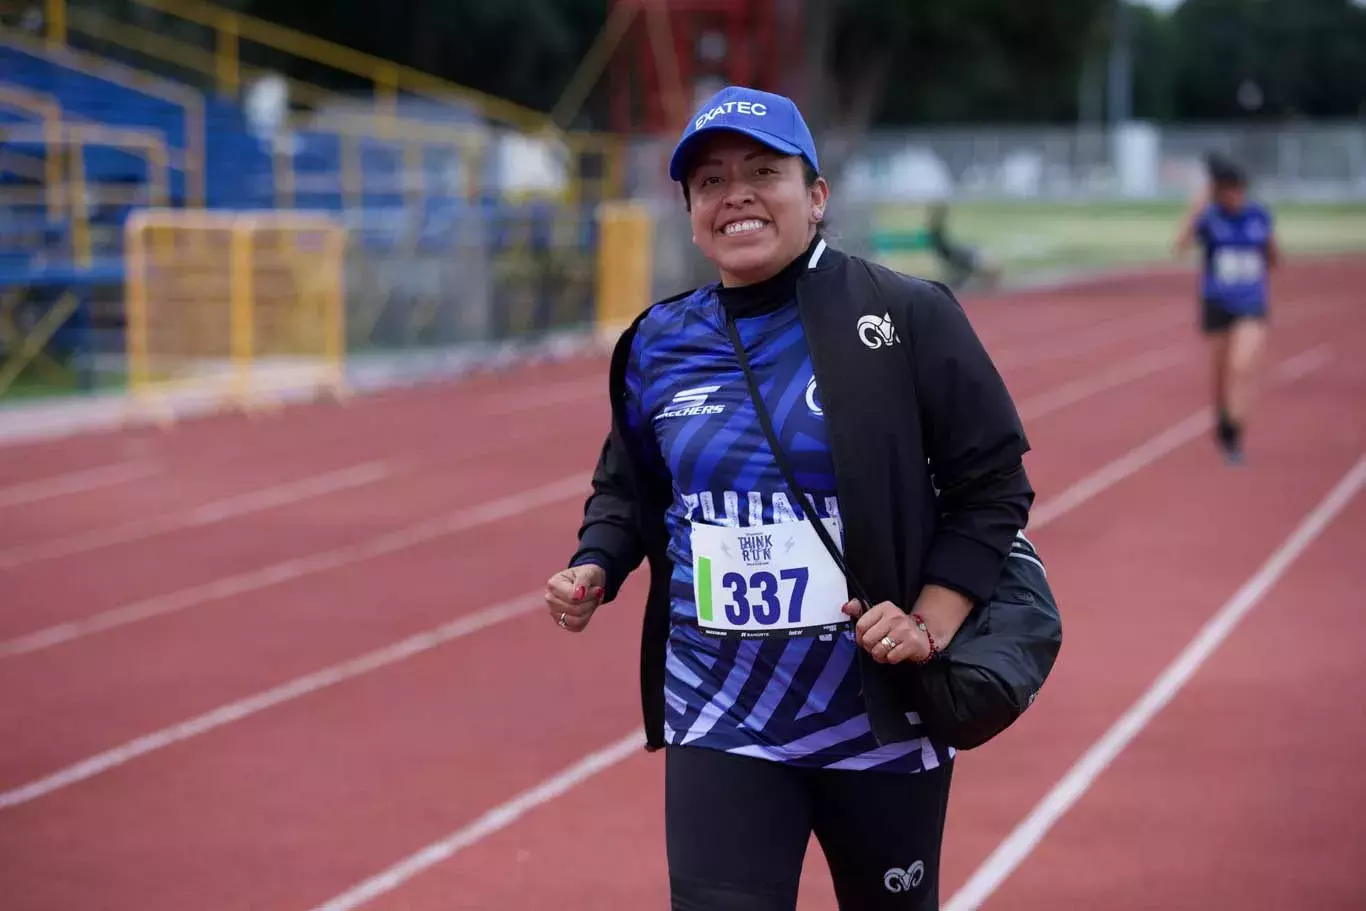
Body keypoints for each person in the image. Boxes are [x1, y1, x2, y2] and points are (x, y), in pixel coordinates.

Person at [544, 85, 1036, 910]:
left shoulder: (903, 314)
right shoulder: (658, 343)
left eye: (761, 171)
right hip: (721, 706)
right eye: (709, 181)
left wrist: (930, 622)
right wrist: (596, 561)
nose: (733, 193)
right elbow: (628, 485)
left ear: (815, 195)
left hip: (876, 713)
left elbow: (993, 484)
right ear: (692, 210)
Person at [1174, 153, 1280, 464]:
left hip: (1251, 304)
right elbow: (1180, 246)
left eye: (1238, 190)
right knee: (1221, 374)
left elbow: (1273, 255)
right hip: (1218, 304)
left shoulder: (1259, 215)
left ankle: (1235, 433)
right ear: (1218, 192)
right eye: (1227, 191)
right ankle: (1224, 420)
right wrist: (1198, 204)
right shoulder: (1210, 217)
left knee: (1242, 366)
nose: (1234, 196)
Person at [925, 200, 1001, 292]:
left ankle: (959, 284)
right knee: (972, 261)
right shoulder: (942, 243)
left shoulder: (938, 240)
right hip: (958, 256)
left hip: (956, 255)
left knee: (971, 262)